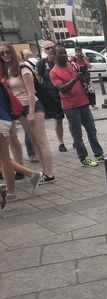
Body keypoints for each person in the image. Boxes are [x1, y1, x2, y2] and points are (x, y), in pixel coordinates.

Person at [0, 42, 56, 184]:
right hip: (20, 108)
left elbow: (32, 92)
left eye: (8, 52)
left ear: (13, 52)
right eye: (2, 53)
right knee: (35, 142)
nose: (5, 55)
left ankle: (49, 174)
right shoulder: (7, 69)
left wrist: (31, 112)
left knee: (42, 141)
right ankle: (44, 173)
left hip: (32, 106)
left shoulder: (23, 68)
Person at [49, 45, 106, 167]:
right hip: (70, 106)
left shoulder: (73, 65)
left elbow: (83, 81)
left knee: (91, 130)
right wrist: (75, 79)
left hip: (83, 102)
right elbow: (62, 89)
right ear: (54, 56)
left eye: (64, 53)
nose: (64, 55)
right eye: (60, 53)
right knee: (77, 134)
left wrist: (85, 77)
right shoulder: (54, 72)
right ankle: (84, 158)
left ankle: (98, 153)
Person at [0, 82, 43, 207]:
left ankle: (10, 193)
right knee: (3, 158)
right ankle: (31, 174)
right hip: (3, 117)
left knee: (4, 158)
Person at [36, 40, 67, 152]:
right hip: (52, 94)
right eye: (47, 48)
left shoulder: (62, 60)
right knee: (58, 118)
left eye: (51, 47)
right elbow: (38, 79)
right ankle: (61, 142)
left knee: (71, 117)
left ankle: (75, 140)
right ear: (44, 51)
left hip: (66, 92)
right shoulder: (42, 63)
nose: (50, 50)